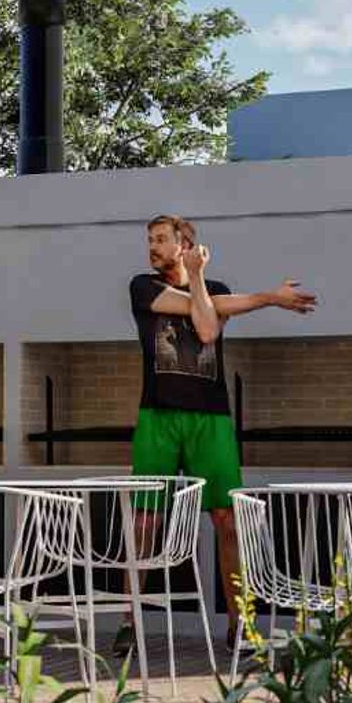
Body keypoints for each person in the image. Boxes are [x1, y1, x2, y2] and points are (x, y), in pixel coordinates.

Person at [119, 214, 318, 653]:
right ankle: (130, 620)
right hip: (158, 416)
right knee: (146, 521)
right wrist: (269, 297)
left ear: (185, 245)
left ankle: (239, 625)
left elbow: (207, 329)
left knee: (227, 520)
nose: (152, 247)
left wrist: (200, 279)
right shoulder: (142, 286)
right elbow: (205, 318)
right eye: (150, 239)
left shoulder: (216, 289)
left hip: (211, 419)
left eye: (161, 239)